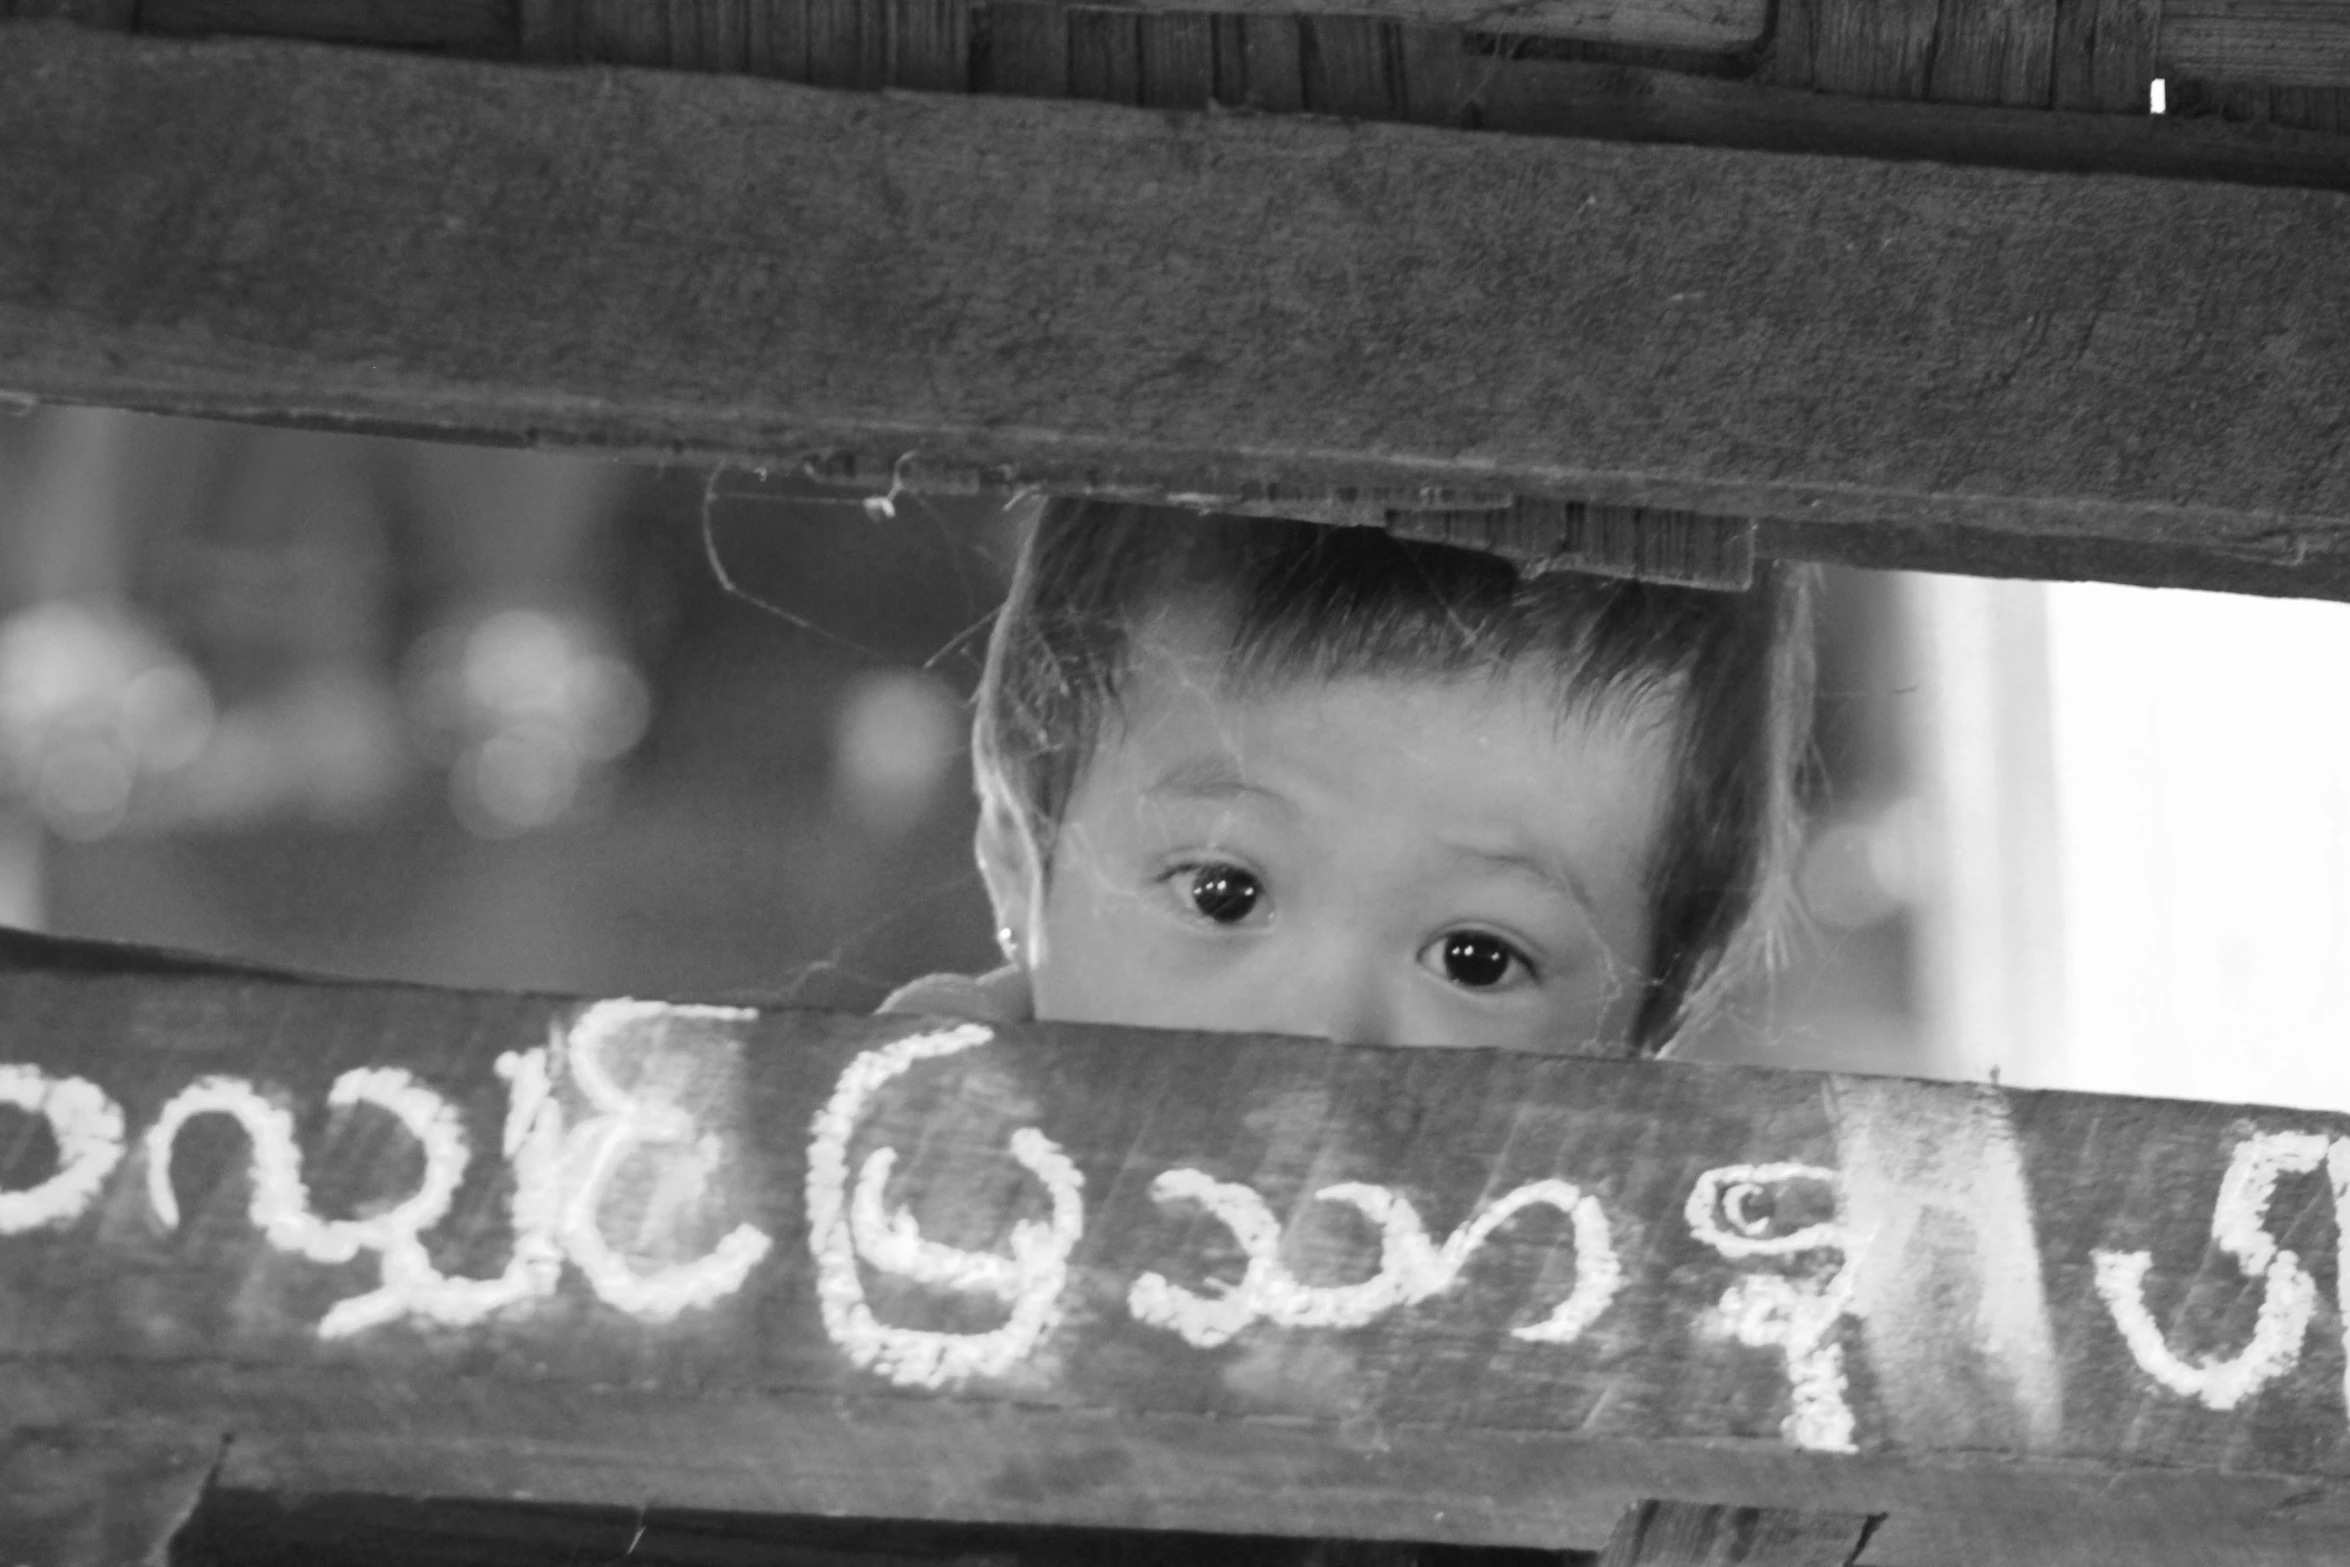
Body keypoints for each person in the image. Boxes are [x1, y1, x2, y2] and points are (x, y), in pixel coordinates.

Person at [884, 497, 1813, 1059]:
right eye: (1223, 892)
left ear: (1647, 1028)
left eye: (1476, 958)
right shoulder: (909, 1190)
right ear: (1020, 856)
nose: (1321, 1037)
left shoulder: (1603, 1345)